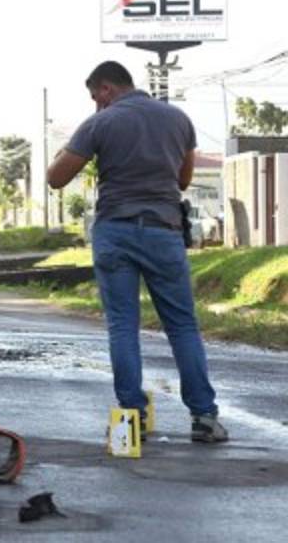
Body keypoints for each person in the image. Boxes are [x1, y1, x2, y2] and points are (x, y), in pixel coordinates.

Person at [46, 60, 227, 443]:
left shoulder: (101, 122)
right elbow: (183, 179)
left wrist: (81, 140)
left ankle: (132, 416)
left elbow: (56, 178)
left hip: (116, 231)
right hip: (164, 231)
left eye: (96, 97)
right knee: (182, 325)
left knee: (123, 325)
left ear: (107, 88)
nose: (96, 105)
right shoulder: (178, 119)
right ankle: (204, 418)